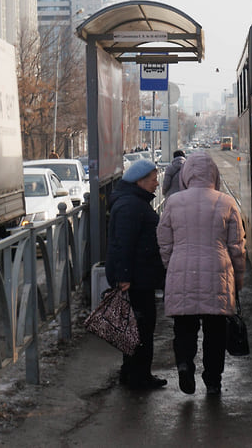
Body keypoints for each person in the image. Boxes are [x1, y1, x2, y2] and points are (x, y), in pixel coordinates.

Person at [156, 151, 246, 396]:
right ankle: (213, 381)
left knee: (184, 328)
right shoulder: (227, 203)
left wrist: (171, 265)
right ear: (214, 175)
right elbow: (237, 247)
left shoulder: (173, 202)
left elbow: (164, 241)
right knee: (215, 332)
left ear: (186, 175)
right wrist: (238, 279)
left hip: (181, 270)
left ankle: (185, 364)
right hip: (218, 274)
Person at [104, 159, 167, 390]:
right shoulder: (131, 206)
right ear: (140, 181)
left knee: (134, 326)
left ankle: (132, 372)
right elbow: (123, 244)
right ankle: (139, 377)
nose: (156, 183)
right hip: (135, 280)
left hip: (138, 276)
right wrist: (124, 277)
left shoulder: (133, 202)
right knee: (141, 327)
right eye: (153, 179)